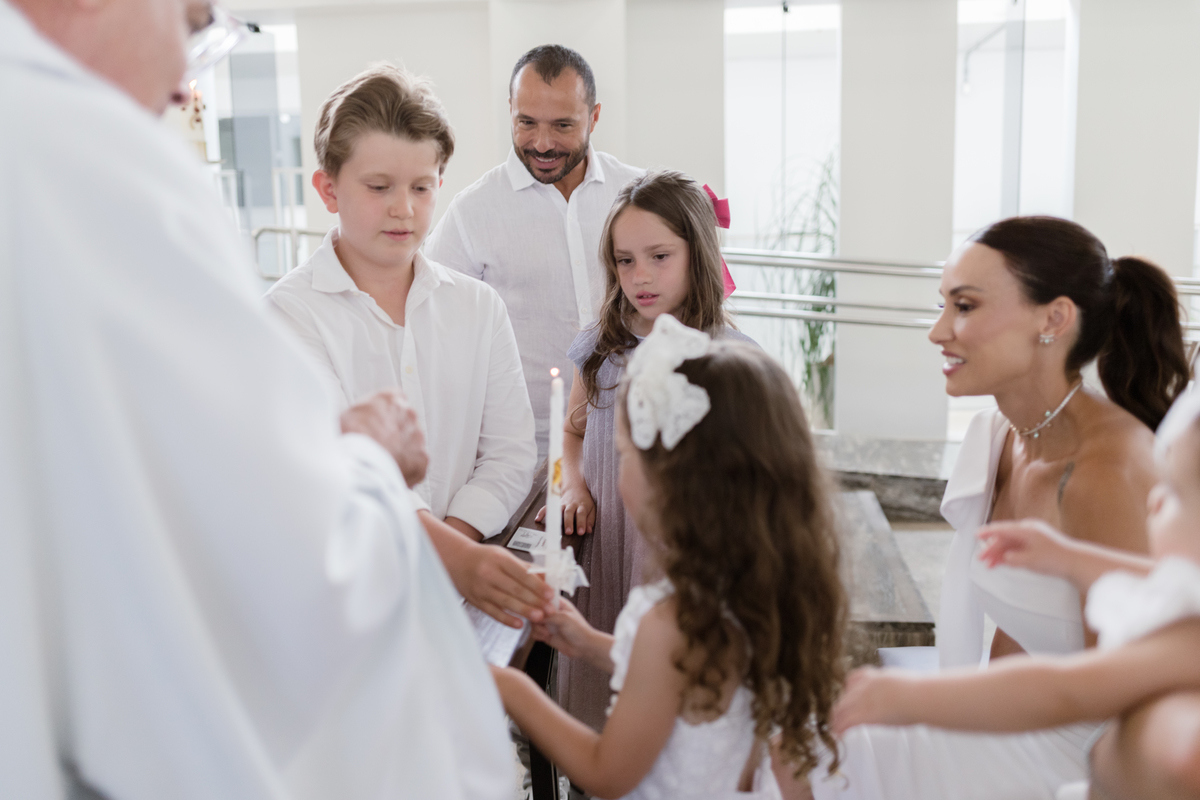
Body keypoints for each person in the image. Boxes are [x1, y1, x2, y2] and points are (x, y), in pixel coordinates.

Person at [0, 1, 522, 798]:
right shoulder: (100, 165)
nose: (186, 87)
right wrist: (372, 461)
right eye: (192, 24)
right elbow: (285, 544)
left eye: (421, 187)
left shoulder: (472, 306)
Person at [808, 216, 1190, 800]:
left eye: (964, 306)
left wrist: (931, 710)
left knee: (829, 755)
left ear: (1053, 319)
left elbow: (1115, 696)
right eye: (942, 305)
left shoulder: (1104, 475)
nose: (938, 331)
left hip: (1086, 754)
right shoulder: (1004, 435)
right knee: (806, 745)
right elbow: (1016, 630)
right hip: (1025, 717)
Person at [490, 314, 845, 799]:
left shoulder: (670, 618)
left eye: (624, 455)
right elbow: (680, 676)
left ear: (672, 481)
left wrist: (511, 686)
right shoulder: (755, 588)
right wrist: (589, 643)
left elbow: (606, 772)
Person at [264, 64, 544, 628]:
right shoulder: (288, 315)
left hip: (459, 599)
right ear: (327, 189)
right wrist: (454, 561)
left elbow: (511, 454)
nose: (404, 208)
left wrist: (451, 551)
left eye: (422, 187)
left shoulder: (478, 306)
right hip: (345, 606)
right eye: (379, 187)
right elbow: (343, 468)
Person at [830, 385, 1200, 800]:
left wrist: (910, 696)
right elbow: (1154, 577)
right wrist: (1068, 557)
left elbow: (1063, 689)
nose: (1153, 500)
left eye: (1174, 493)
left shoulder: (1187, 638)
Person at [539, 170, 753, 733]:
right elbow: (571, 433)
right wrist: (573, 483)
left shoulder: (730, 360)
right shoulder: (600, 346)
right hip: (604, 542)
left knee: (665, 696)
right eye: (625, 261)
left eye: (659, 257)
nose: (640, 277)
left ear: (696, 253)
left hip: (674, 555)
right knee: (598, 696)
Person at [423, 44, 643, 460]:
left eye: (562, 125)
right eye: (526, 122)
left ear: (594, 117)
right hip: (523, 452)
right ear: (510, 110)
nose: (542, 143)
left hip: (631, 440)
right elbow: (432, 327)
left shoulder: (636, 194)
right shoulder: (472, 212)